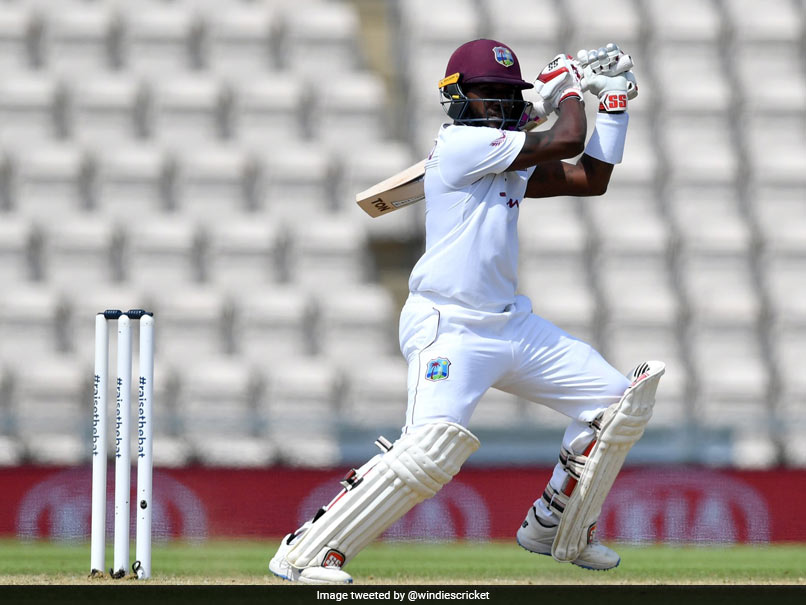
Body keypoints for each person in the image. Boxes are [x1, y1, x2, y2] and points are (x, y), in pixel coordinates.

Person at [269, 39, 663, 584]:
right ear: (455, 98)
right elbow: (567, 137)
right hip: (449, 325)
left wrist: (613, 106)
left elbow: (589, 178)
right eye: (486, 93)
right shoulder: (459, 145)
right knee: (431, 450)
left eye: (508, 95)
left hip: (511, 325)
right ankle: (308, 552)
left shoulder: (510, 155)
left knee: (616, 405)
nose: (498, 103)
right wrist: (572, 86)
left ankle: (554, 525)